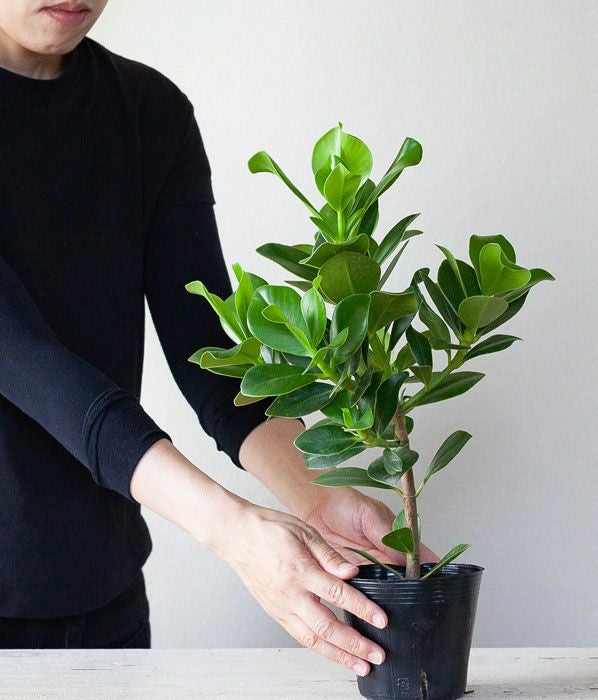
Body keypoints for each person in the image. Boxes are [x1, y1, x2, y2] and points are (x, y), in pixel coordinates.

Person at [0, 0, 436, 676]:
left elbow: (212, 354)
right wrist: (232, 528)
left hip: (102, 595)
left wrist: (317, 494)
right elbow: (27, 360)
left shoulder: (148, 111)